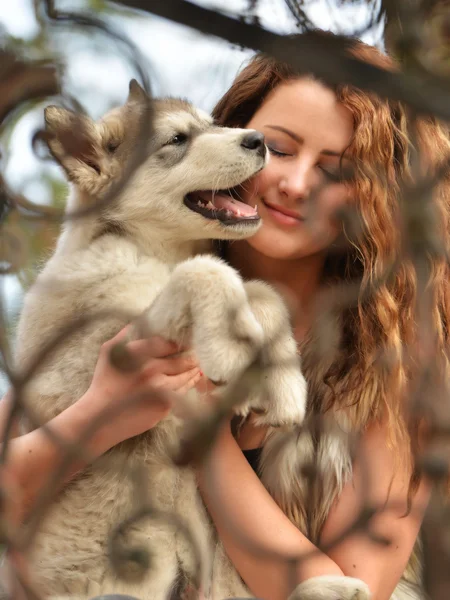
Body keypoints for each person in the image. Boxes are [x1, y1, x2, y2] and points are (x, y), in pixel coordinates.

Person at [1, 34, 449, 600]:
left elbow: (356, 589)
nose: (295, 183)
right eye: (280, 149)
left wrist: (201, 426)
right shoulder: (146, 273)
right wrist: (103, 412)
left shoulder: (399, 365)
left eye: (335, 171)